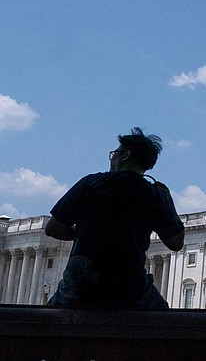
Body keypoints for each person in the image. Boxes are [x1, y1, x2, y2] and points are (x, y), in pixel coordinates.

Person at [45, 127, 185, 309]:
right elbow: (175, 243)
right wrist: (167, 200)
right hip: (129, 291)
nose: (112, 158)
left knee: (44, 317)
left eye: (114, 153)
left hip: (79, 288)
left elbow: (52, 228)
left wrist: (79, 233)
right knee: (168, 322)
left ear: (125, 155)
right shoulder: (155, 194)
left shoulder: (89, 183)